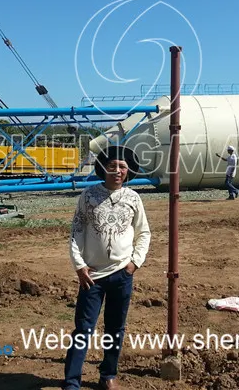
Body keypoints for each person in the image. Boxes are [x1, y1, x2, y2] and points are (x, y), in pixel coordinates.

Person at [63, 145, 151, 390]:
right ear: (104, 168)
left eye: (122, 167)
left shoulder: (133, 198)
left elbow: (143, 232)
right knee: (83, 329)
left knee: (115, 328)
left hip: (122, 274)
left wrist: (134, 263)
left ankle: (108, 375)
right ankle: (71, 382)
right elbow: (77, 231)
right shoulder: (89, 196)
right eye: (112, 166)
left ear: (128, 171)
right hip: (91, 276)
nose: (118, 171)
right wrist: (79, 266)